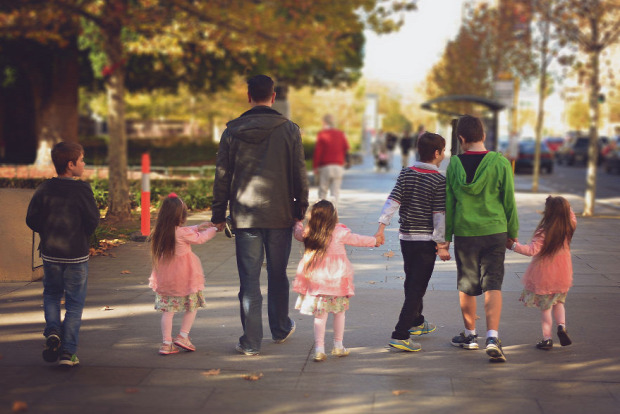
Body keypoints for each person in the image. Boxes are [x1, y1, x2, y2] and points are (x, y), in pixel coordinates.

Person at [211, 74, 309, 356]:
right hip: (280, 214)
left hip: (244, 216)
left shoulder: (231, 132)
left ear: (248, 96)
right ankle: (280, 328)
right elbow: (299, 173)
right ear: (273, 96)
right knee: (278, 274)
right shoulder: (289, 130)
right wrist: (299, 210)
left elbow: (222, 176)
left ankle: (251, 341)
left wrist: (219, 213)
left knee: (249, 279)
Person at [445, 115, 519, 363]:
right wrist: (513, 232)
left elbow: (450, 203)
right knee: (493, 284)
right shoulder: (500, 162)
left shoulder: (454, 164)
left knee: (467, 285)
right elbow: (509, 200)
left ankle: (470, 335)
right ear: (484, 136)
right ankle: (492, 337)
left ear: (461, 139)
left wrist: (445, 238)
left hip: (465, 232)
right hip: (495, 231)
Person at [375, 133, 451, 352]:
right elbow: (439, 215)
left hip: (406, 239)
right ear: (437, 153)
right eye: (443, 151)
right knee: (417, 287)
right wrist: (441, 245)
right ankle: (400, 334)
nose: (443, 155)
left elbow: (393, 201)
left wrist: (381, 227)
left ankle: (417, 322)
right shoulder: (439, 180)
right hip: (426, 241)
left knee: (412, 281)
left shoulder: (406, 173)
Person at [26, 141, 100, 367]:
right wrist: (81, 236)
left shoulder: (44, 189)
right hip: (76, 256)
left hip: (50, 254)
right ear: (71, 164)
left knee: (51, 294)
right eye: (82, 159)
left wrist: (47, 232)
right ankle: (68, 353)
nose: (84, 163)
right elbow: (92, 221)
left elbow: (31, 219)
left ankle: (53, 331)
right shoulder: (83, 190)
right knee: (75, 303)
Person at [292, 200, 379, 362]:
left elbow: (299, 234)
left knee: (320, 316)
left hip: (317, 283)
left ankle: (319, 348)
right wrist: (374, 240)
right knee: (339, 313)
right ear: (334, 216)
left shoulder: (311, 232)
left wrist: (297, 223)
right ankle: (338, 345)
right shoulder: (339, 232)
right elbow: (357, 239)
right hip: (336, 283)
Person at [149, 194, 217, 355]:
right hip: (185, 278)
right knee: (192, 306)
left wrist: (197, 227)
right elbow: (200, 239)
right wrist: (212, 229)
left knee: (168, 311)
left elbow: (184, 232)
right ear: (180, 216)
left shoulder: (160, 231)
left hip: (166, 279)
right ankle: (183, 336)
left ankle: (166, 343)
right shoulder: (181, 233)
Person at [507, 196, 576, 350]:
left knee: (546, 308)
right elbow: (571, 214)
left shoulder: (544, 231)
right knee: (559, 302)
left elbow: (531, 250)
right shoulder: (569, 226)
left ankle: (547, 339)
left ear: (548, 212)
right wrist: (563, 204)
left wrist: (513, 246)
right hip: (563, 273)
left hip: (545, 275)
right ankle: (561, 327)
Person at [313, 114, 350, 207]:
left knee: (322, 191)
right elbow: (346, 147)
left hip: (325, 166)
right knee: (335, 193)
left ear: (324, 122)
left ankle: (321, 214)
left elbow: (318, 152)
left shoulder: (322, 134)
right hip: (338, 166)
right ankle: (334, 215)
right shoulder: (340, 134)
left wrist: (315, 167)